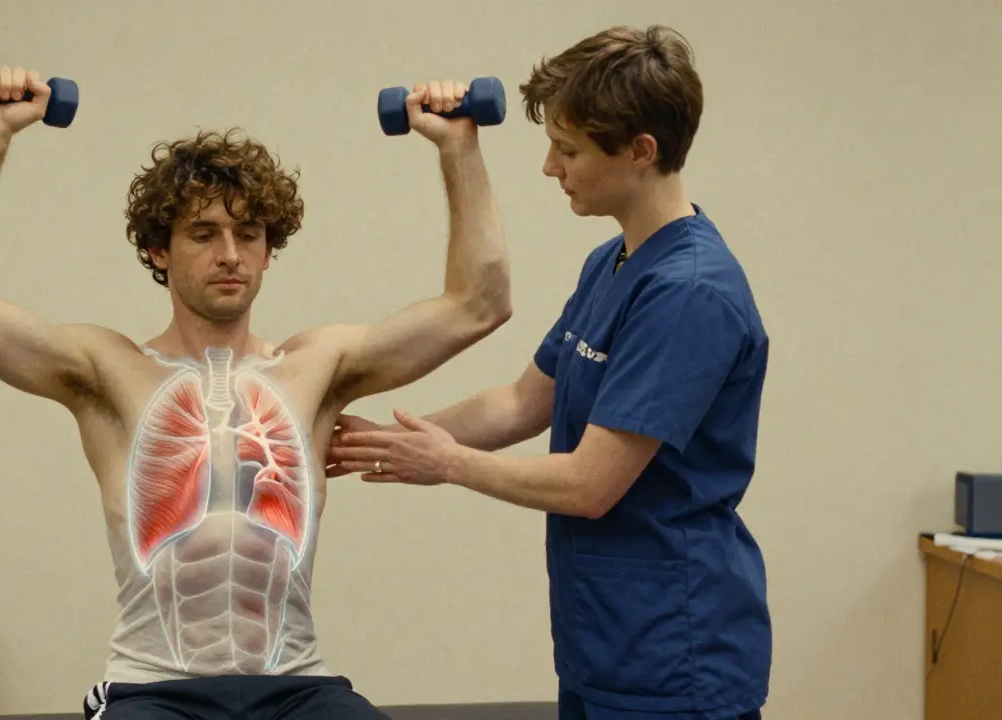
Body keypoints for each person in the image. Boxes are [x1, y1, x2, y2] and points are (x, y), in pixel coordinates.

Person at [0, 65, 511, 720]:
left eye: (248, 235)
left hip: (295, 684)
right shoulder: (104, 370)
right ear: (158, 251)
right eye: (203, 234)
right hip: (154, 689)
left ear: (266, 250)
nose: (230, 254)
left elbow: (478, 304)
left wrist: (460, 148)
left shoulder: (320, 366)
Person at [327, 25, 771, 720]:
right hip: (604, 644)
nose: (549, 168)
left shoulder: (689, 293)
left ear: (641, 152)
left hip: (675, 659)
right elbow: (521, 402)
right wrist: (378, 442)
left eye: (568, 151)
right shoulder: (614, 263)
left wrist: (446, 464)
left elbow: (592, 483)